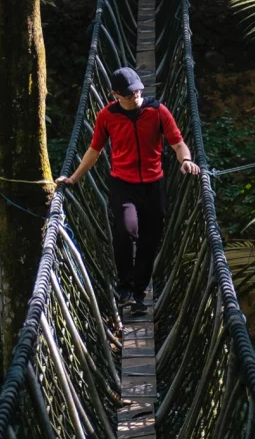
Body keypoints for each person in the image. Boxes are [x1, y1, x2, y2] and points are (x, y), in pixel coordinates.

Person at [57, 65, 200, 315]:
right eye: (128, 93)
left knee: (149, 241)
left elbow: (178, 144)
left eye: (137, 91)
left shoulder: (157, 111)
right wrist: (74, 178)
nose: (135, 96)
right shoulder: (107, 116)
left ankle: (137, 294)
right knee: (126, 231)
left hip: (154, 185)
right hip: (123, 184)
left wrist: (186, 160)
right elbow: (94, 151)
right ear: (115, 95)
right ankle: (124, 287)